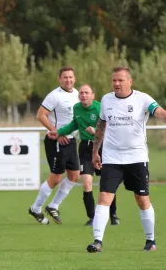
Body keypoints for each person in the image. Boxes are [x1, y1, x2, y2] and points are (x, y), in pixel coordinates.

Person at [87, 66, 166, 253]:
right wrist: (95, 151)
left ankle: (150, 241)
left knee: (142, 199)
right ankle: (97, 241)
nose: (116, 83)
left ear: (130, 82)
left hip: (136, 158)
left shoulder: (143, 99)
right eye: (114, 80)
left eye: (120, 80)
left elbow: (160, 113)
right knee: (104, 197)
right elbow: (101, 126)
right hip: (112, 157)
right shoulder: (106, 100)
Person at [51, 84, 119, 226]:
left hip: (102, 148)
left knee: (106, 184)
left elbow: (112, 127)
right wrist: (59, 132)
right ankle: (93, 217)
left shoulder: (100, 108)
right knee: (87, 182)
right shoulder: (76, 108)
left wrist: (97, 131)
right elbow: (74, 124)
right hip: (85, 148)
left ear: (93, 95)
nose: (83, 95)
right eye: (81, 93)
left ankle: (113, 214)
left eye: (87, 93)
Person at [28, 66, 80, 224]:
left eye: (71, 77)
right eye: (65, 77)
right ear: (60, 79)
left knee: (74, 175)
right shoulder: (54, 96)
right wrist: (56, 132)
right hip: (56, 140)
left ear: (74, 78)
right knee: (56, 177)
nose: (68, 80)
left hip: (70, 140)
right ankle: (35, 208)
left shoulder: (78, 94)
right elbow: (40, 115)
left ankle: (53, 205)